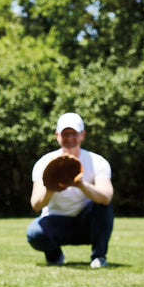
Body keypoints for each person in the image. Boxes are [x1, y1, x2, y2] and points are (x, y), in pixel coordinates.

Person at [26, 112, 114, 269]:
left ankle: (99, 257)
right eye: (65, 134)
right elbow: (36, 205)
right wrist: (51, 187)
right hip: (56, 221)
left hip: (86, 222)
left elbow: (106, 197)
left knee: (103, 207)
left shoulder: (97, 162)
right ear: (57, 136)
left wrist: (80, 184)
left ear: (83, 135)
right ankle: (54, 256)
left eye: (74, 133)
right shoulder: (44, 163)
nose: (70, 138)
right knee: (34, 233)